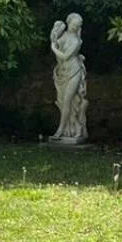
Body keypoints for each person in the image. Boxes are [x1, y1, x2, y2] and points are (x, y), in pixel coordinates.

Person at [50, 12, 87, 144]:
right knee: (63, 101)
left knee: (67, 101)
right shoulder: (63, 35)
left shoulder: (77, 41)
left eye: (78, 26)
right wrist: (54, 35)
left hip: (74, 71)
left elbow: (65, 56)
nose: (75, 28)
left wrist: (53, 48)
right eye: (73, 25)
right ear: (68, 22)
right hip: (63, 72)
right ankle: (75, 127)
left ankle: (60, 130)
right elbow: (56, 41)